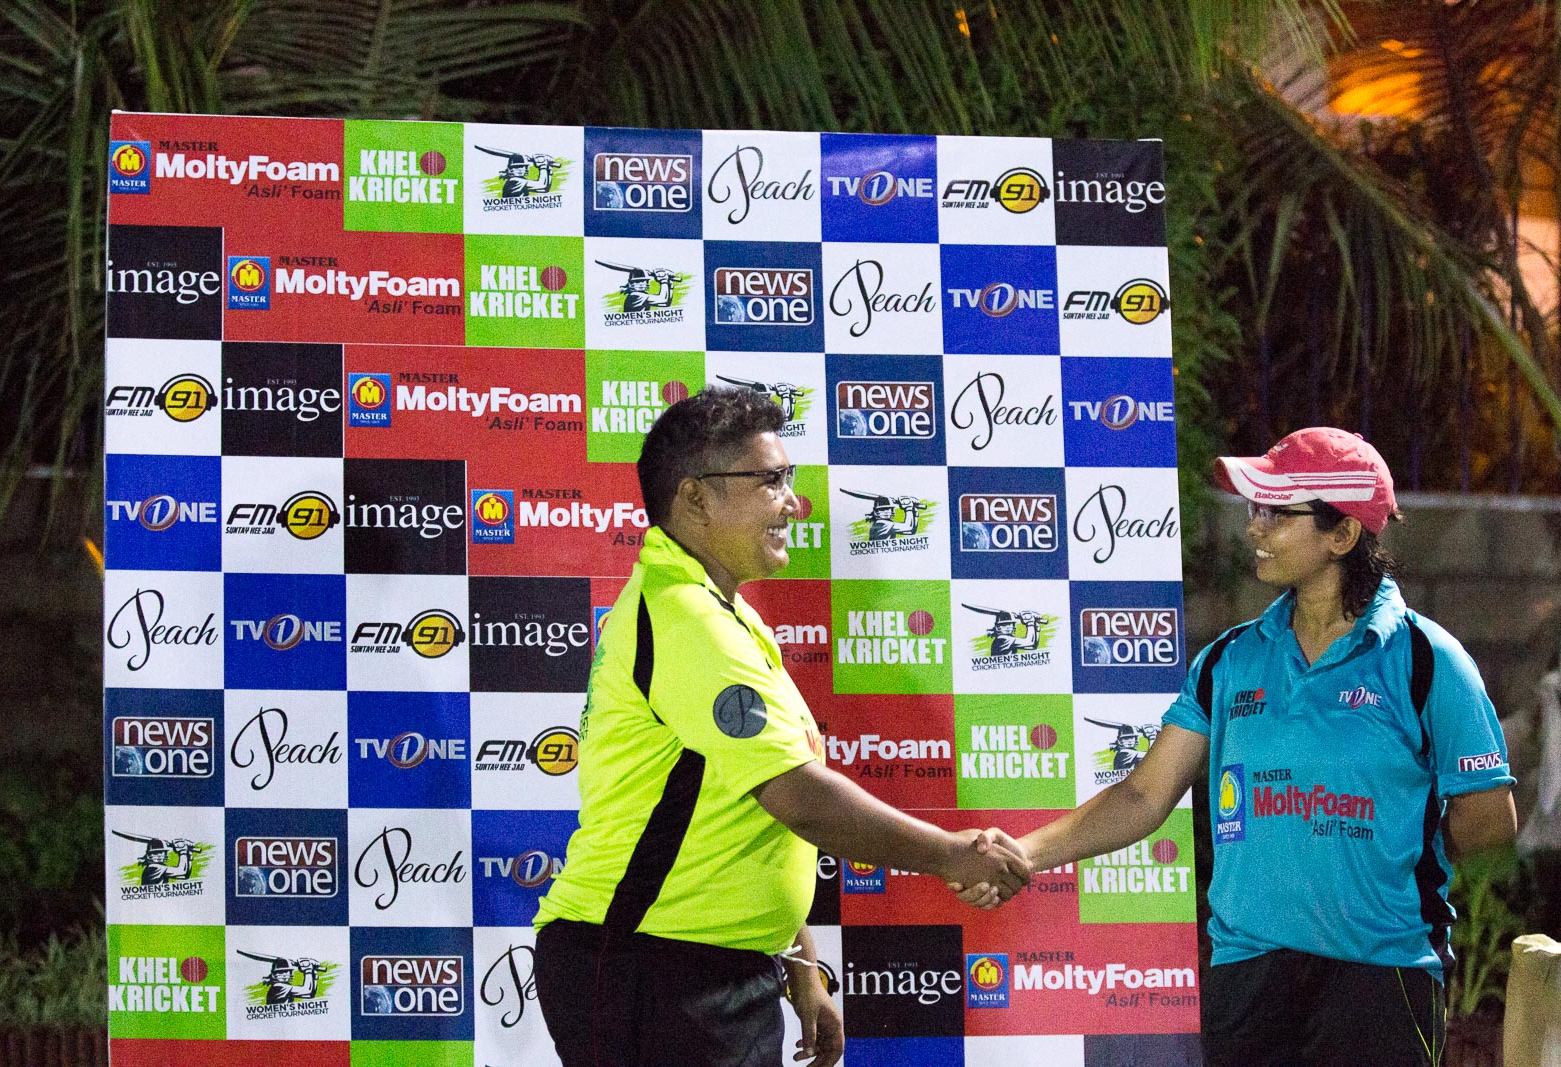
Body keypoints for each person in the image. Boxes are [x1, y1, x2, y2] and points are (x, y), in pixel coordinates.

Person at [955, 427, 1518, 1067]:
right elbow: (1142, 795)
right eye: (1255, 508)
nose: (1254, 526)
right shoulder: (1229, 659)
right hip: (1248, 978)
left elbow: (1488, 820)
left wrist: (1386, 856)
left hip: (1381, 979)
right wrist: (1024, 853)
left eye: (1277, 512)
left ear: (1342, 534)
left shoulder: (1428, 659)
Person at [534, 387, 1029, 1067]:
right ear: (695, 499)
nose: (793, 502)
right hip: (649, 965)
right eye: (770, 481)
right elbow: (797, 795)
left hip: (699, 965)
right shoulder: (690, 622)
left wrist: (801, 969)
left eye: (788, 479)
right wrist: (950, 852)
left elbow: (747, 813)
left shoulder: (723, 613)